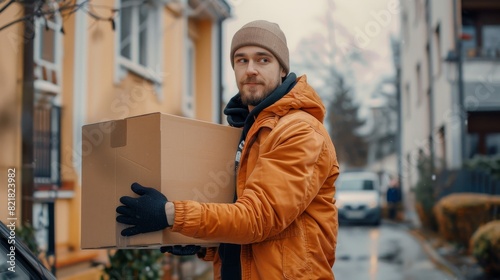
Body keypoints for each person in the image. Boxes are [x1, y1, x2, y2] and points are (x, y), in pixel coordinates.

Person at [116, 20, 340, 280]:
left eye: (263, 59)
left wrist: (170, 213)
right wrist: (200, 245)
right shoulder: (247, 132)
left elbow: (258, 218)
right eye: (241, 60)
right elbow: (251, 242)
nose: (250, 70)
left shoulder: (299, 132)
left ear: (282, 70)